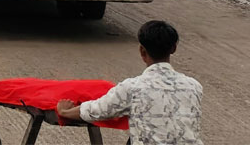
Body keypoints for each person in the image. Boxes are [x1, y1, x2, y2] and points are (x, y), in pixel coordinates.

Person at [56, 20, 203, 145]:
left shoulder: (133, 88)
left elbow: (97, 111)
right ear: (174, 48)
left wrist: (65, 111)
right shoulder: (194, 86)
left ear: (142, 51)